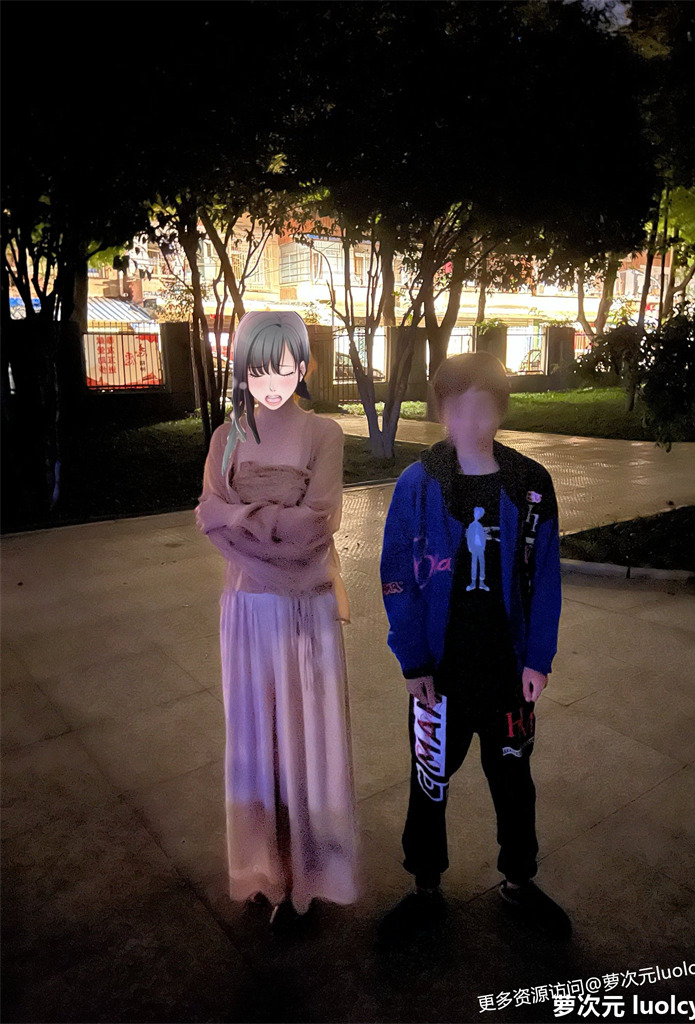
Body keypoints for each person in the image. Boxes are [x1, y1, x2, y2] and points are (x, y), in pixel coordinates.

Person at [378, 350, 570, 943]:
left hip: (507, 672)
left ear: (501, 410)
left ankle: (518, 879)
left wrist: (537, 658)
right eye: (457, 408)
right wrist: (412, 660)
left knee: (513, 780)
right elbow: (397, 576)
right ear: (441, 412)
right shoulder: (419, 484)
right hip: (439, 674)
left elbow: (546, 578)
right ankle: (424, 885)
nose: (469, 421)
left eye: (482, 407)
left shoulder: (530, 485)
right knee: (428, 778)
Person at [195, 310, 358, 928]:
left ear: (303, 367)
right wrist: (266, 526)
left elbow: (318, 525)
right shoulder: (226, 439)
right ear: (242, 370)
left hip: (304, 611)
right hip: (247, 612)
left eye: (283, 369)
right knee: (255, 745)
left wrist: (241, 519)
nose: (270, 382)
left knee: (305, 742)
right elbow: (208, 517)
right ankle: (265, 870)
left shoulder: (323, 433)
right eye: (258, 370)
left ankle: (310, 872)